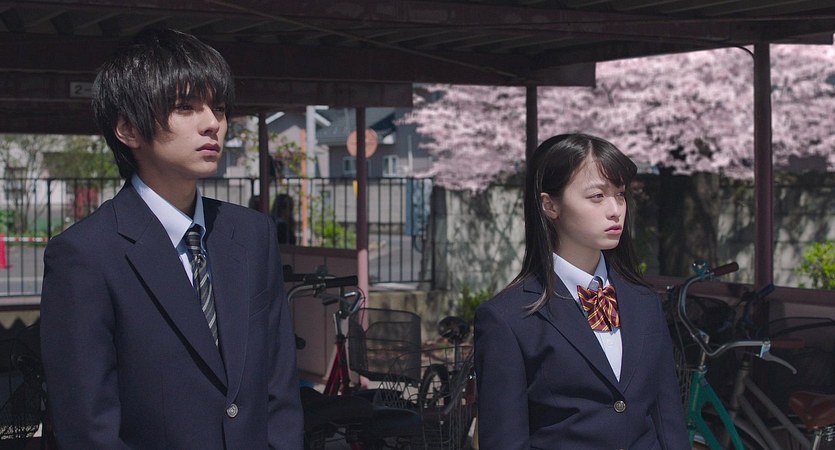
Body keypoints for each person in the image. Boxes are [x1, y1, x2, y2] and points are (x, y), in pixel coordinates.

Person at [39, 28, 303, 449]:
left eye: (218, 107)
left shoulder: (252, 234)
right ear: (128, 129)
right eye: (185, 107)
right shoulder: (85, 254)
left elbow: (279, 385)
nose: (212, 123)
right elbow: (89, 426)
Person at [474, 133, 689, 449]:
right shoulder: (507, 318)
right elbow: (505, 439)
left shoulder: (644, 302)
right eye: (597, 196)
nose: (615, 210)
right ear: (550, 205)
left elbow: (668, 419)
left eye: (620, 195)